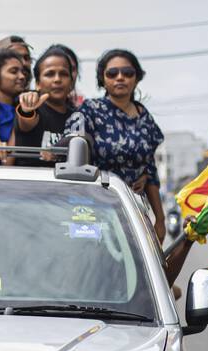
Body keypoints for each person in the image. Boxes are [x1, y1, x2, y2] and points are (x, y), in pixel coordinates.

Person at [66, 49, 167, 244]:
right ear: (102, 80)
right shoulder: (91, 111)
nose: (120, 77)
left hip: (134, 209)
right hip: (97, 206)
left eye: (127, 72)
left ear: (136, 78)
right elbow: (73, 149)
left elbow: (151, 170)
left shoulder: (144, 116)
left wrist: (160, 221)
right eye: (112, 73)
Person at [13, 45, 76, 166]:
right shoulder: (34, 110)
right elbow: (27, 120)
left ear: (71, 82)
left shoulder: (78, 117)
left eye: (63, 74)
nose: (57, 79)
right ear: (37, 83)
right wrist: (27, 110)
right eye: (50, 74)